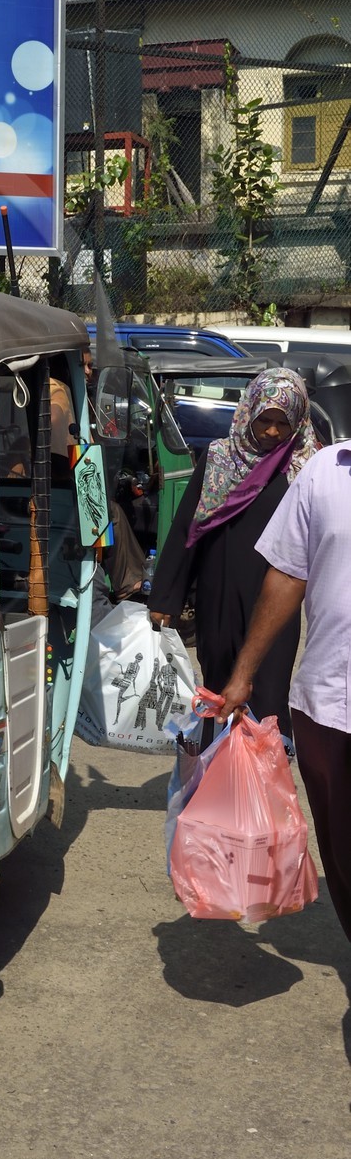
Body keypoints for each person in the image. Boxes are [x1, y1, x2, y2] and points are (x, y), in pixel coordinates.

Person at [217, 441, 351, 942]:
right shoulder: (325, 472)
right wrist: (243, 672)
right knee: (340, 853)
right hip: (327, 700)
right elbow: (288, 573)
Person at [148, 368, 319, 740]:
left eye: (282, 423)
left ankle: (258, 784)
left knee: (268, 691)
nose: (272, 432)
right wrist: (166, 596)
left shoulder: (307, 467)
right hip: (219, 591)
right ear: (248, 413)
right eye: (265, 421)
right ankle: (217, 779)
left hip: (276, 598)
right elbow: (186, 531)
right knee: (220, 686)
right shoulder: (220, 459)